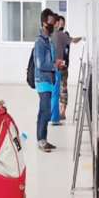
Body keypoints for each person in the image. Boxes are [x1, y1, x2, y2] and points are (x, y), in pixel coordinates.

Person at [34, 8, 63, 152]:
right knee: (45, 112)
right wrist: (54, 65)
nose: (53, 24)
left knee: (44, 111)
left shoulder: (48, 40)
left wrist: (56, 63)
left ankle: (43, 139)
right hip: (42, 80)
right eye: (51, 22)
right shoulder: (40, 42)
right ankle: (41, 141)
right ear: (44, 23)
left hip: (49, 80)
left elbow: (49, 60)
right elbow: (40, 65)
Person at [50, 15, 82, 124]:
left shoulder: (63, 35)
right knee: (56, 91)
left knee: (62, 90)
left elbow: (72, 41)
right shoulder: (54, 35)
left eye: (63, 23)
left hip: (63, 67)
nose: (62, 25)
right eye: (60, 23)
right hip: (55, 67)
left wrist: (80, 38)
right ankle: (55, 113)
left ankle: (62, 112)